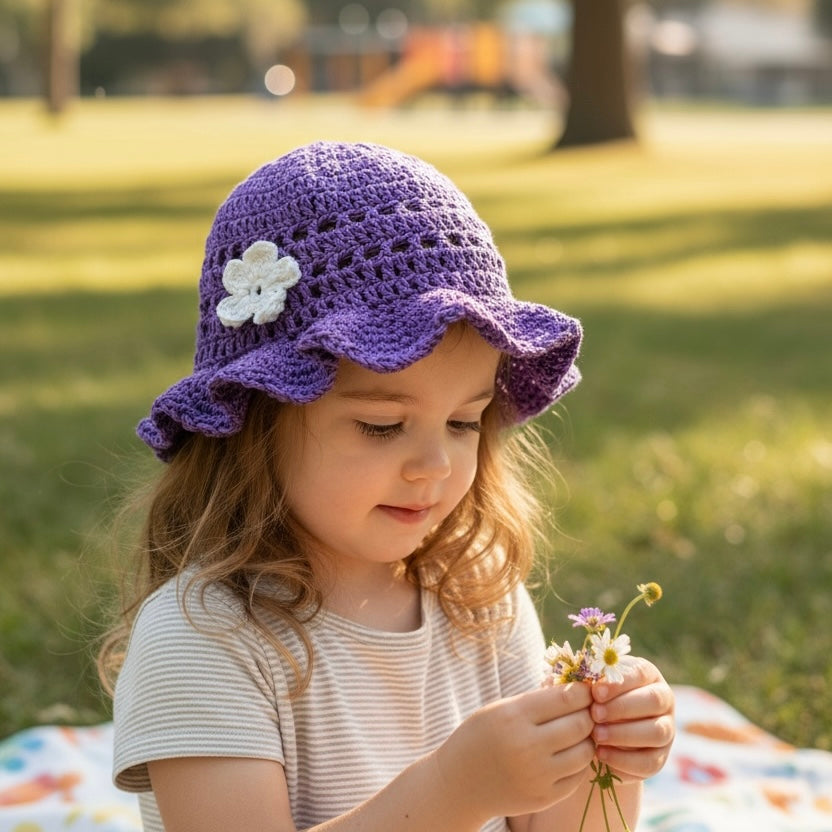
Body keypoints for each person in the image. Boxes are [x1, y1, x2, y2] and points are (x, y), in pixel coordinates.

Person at [101, 141, 675, 832]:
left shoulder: (479, 599)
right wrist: (453, 792)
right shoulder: (202, 639)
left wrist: (604, 758)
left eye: (465, 421)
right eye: (380, 425)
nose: (433, 465)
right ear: (257, 414)